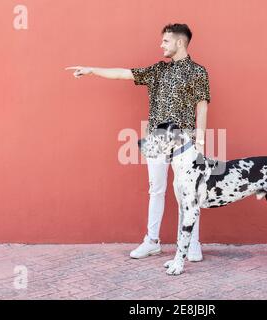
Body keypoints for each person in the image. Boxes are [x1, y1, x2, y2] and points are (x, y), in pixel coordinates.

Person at [65, 23, 211, 262]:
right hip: (157, 139)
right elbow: (124, 73)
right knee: (157, 189)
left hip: (185, 142)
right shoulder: (157, 71)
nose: (161, 45)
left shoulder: (198, 72)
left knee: (189, 193)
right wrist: (91, 69)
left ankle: (192, 242)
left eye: (165, 41)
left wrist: (202, 143)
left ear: (179, 42)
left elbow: (202, 107)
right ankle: (152, 241)